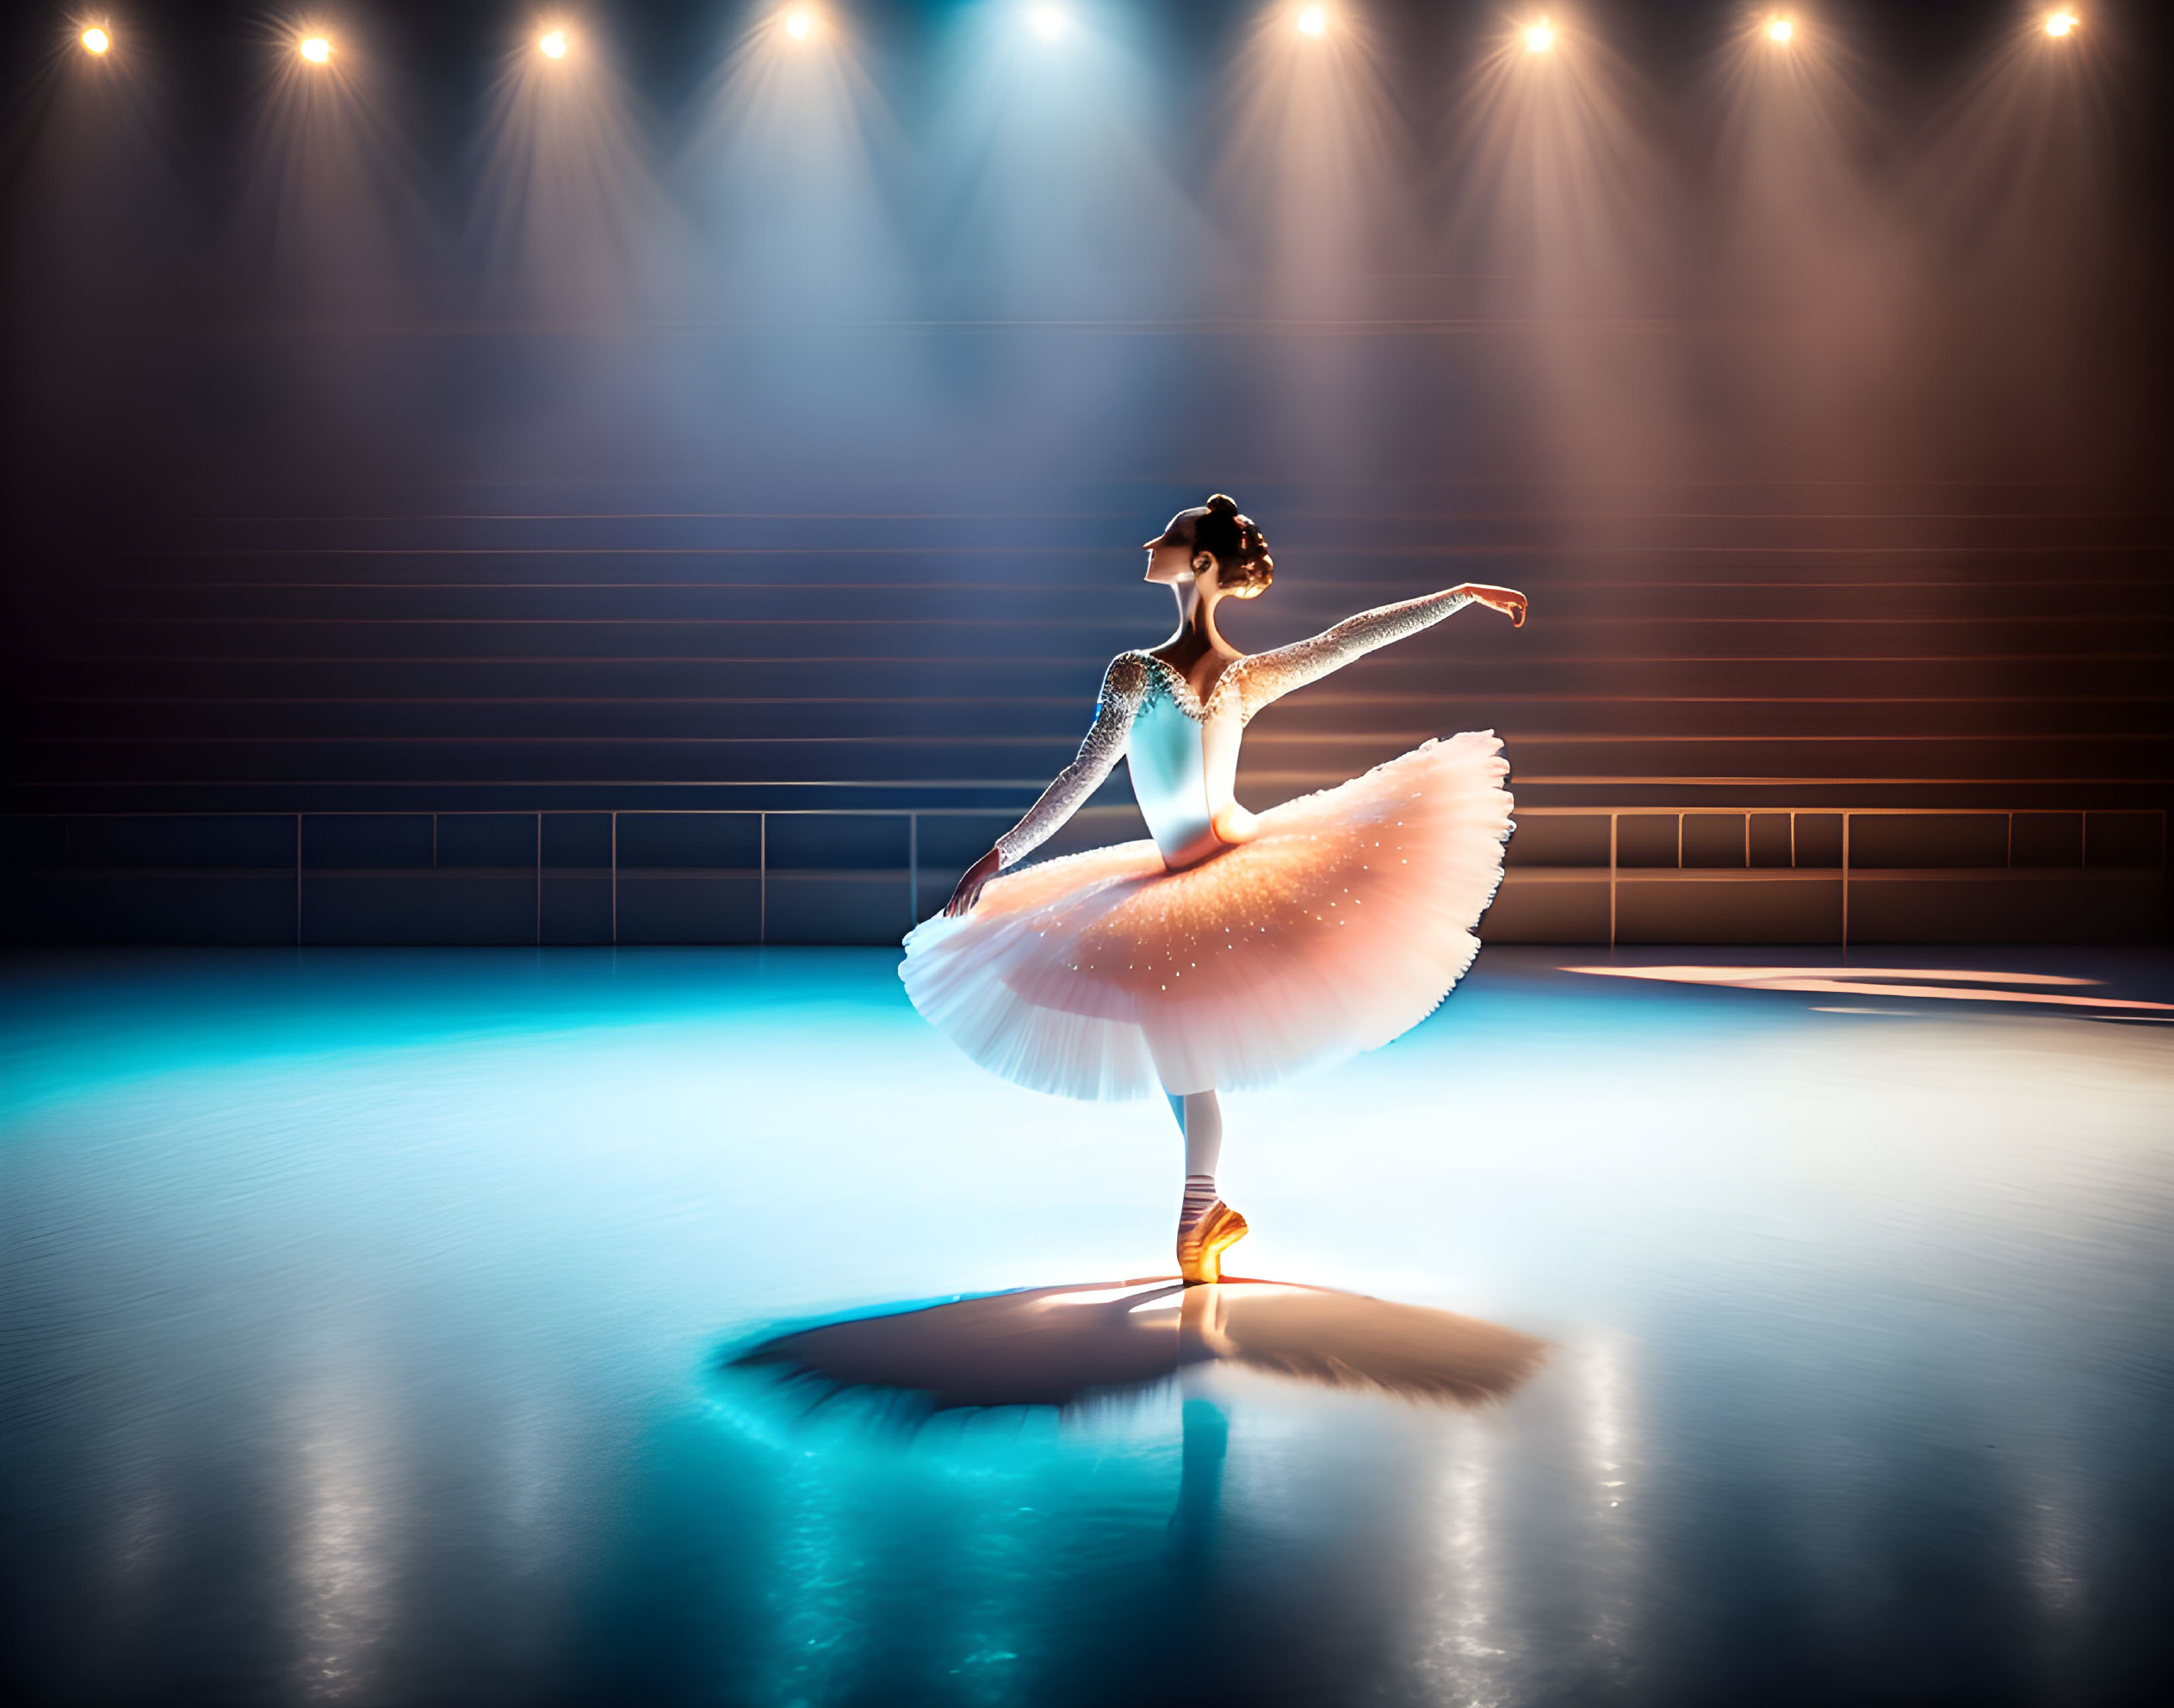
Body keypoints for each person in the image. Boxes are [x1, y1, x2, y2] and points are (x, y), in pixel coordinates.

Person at [901, 496, 1525, 1284]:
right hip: (1174, 881)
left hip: (1233, 870)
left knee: (1181, 1046)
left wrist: (1457, 596)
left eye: (1168, 536)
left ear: (1198, 563)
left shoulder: (1210, 673)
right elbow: (1081, 777)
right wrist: (1003, 853)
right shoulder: (1155, 672)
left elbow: (1348, 640)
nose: (1148, 542)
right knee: (1178, 1045)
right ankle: (1202, 1210)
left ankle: (1200, 1209)